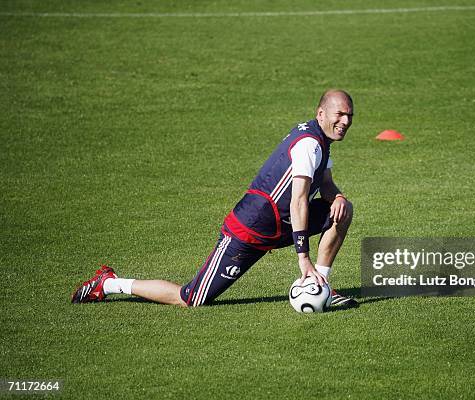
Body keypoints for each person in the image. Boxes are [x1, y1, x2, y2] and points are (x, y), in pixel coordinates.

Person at [72, 89, 358, 308]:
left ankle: (321, 286)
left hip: (280, 225)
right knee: (192, 298)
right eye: (339, 115)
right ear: (321, 114)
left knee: (341, 211)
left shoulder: (321, 141)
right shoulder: (309, 144)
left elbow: (326, 183)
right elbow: (298, 201)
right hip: (250, 230)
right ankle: (109, 283)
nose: (345, 121)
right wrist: (303, 258)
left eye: (349, 116)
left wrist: (339, 197)